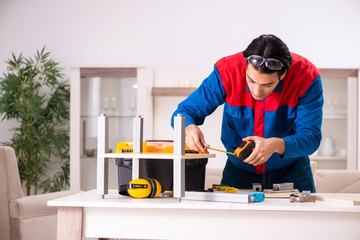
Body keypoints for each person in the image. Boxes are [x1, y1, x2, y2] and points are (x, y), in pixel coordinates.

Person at [171, 34, 323, 192]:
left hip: (292, 171)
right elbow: (184, 112)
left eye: (268, 84)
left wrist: (275, 145)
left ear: (283, 74)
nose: (257, 91)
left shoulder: (306, 77)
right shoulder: (227, 71)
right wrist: (188, 129)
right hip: (239, 172)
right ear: (245, 66)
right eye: (251, 80)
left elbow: (311, 138)